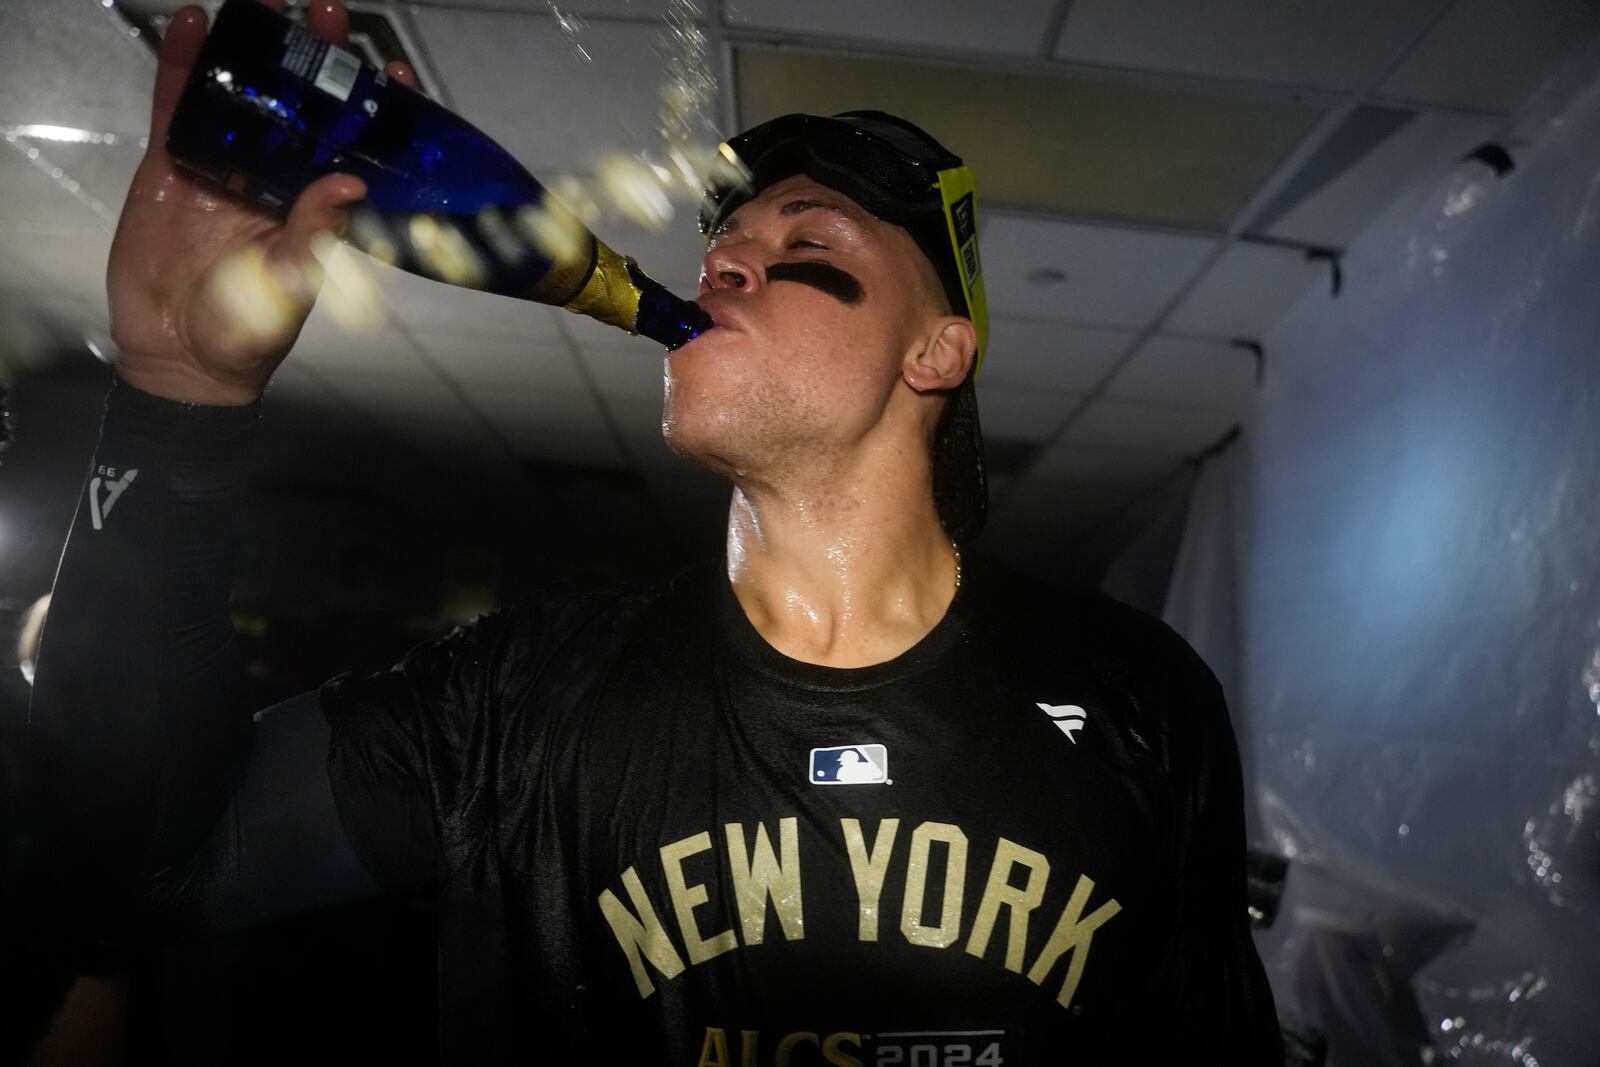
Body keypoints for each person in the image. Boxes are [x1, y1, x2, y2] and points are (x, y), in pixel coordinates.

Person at [17, 1, 1283, 1063]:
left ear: (936, 350)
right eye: (724, 239)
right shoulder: (525, 696)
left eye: (807, 246)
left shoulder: (1136, 696)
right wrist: (179, 394)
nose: (726, 262)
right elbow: (131, 873)